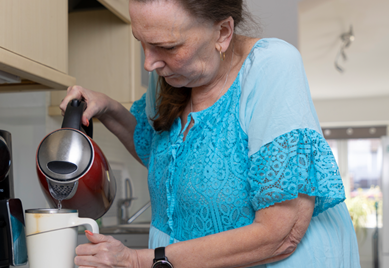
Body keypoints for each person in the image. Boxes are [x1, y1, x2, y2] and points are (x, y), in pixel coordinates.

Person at [61, 0, 360, 267]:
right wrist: (108, 108)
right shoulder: (172, 76)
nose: (149, 63)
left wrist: (139, 261)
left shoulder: (271, 67)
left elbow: (280, 235)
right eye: (141, 42)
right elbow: (157, 153)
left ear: (222, 33)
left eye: (166, 47)